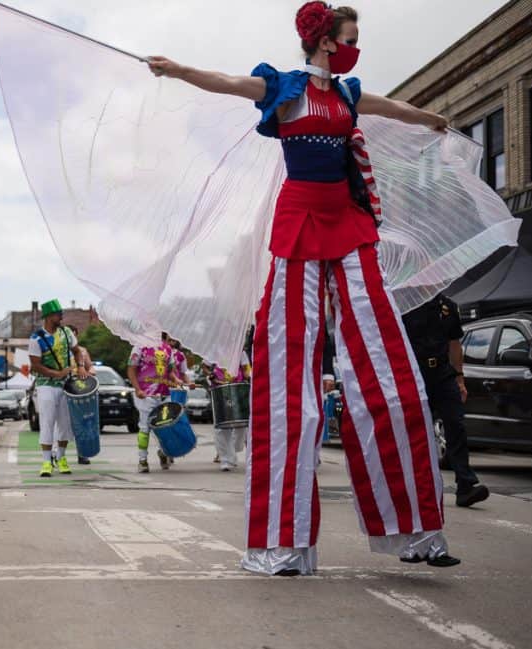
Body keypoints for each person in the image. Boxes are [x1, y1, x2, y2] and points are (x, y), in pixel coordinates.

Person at [148, 2, 459, 574]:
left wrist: (430, 119)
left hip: (348, 223)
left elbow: (388, 107)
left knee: (388, 372)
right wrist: (177, 69)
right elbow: (225, 83)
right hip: (298, 226)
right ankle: (281, 545)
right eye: (349, 38)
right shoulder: (283, 87)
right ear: (323, 42)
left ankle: (417, 533)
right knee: (290, 386)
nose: (354, 46)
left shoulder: (345, 94)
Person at [402, 293, 489, 508]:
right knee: (418, 431)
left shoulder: (447, 306)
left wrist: (460, 378)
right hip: (415, 373)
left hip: (443, 373)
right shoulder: (405, 304)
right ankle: (416, 486)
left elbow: (454, 343)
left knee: (456, 424)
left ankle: (466, 485)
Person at [28, 299, 89, 477]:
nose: (61, 316)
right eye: (58, 314)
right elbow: (35, 365)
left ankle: (61, 458)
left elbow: (77, 351)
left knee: (65, 424)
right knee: (47, 422)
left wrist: (80, 366)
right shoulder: (36, 338)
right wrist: (56, 374)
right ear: (48, 316)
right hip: (46, 385)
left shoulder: (66, 332)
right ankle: (47, 461)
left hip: (66, 385)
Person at [127, 335, 175, 473]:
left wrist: (180, 382)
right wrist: (137, 389)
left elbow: (171, 372)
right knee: (145, 428)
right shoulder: (139, 346)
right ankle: (143, 460)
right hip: (146, 394)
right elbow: (131, 369)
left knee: (166, 426)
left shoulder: (167, 349)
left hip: (164, 394)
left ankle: (162, 452)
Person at [202, 357, 251, 472]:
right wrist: (211, 375)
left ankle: (232, 453)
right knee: (221, 428)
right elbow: (204, 366)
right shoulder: (216, 348)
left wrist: (247, 377)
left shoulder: (240, 351)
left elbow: (246, 368)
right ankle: (225, 460)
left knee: (241, 427)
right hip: (219, 390)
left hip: (237, 390)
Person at [67, 324, 96, 464]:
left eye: (74, 334)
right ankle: (57, 454)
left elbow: (90, 366)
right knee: (63, 423)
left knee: (81, 422)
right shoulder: (61, 350)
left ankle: (82, 453)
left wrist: (90, 371)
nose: (71, 337)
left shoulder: (82, 351)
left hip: (81, 390)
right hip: (66, 389)